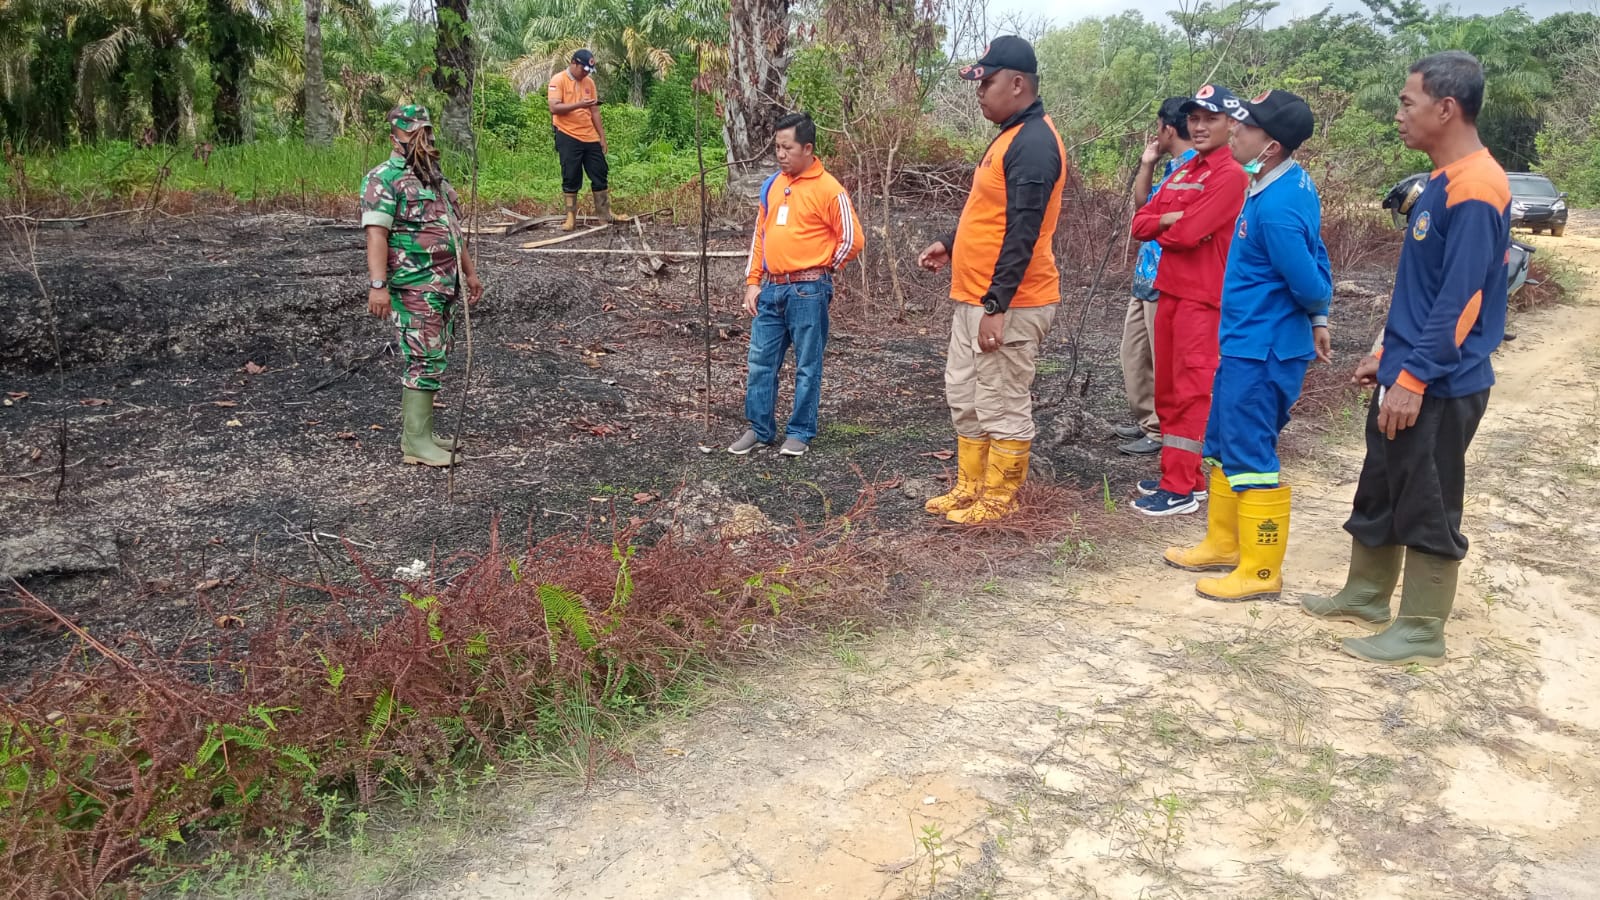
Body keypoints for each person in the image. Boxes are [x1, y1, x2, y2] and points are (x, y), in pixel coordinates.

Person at [1302, 51, 1510, 666]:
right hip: (1409, 368)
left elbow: (1461, 299)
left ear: (1446, 108)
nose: (1398, 113)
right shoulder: (1442, 181)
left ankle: (1421, 628)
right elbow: (1422, 290)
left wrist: (1415, 376)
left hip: (1443, 382)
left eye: (1406, 101)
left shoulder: (1476, 187)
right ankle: (1366, 593)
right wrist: (1387, 357)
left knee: (1428, 495)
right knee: (1382, 484)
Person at [1164, 90, 1332, 602]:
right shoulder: (1274, 182)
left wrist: (1317, 312)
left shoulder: (1278, 205)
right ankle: (1223, 541)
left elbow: (1308, 279)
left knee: (1252, 453)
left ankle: (1261, 570)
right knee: (1222, 445)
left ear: (1273, 145)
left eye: (1245, 127)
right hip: (1243, 343)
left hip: (1263, 350)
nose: (1233, 131)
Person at [917, 36, 1066, 525]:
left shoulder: (1035, 143)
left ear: (1018, 83)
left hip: (1010, 303)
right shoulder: (1008, 136)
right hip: (974, 296)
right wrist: (950, 242)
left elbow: (1023, 230)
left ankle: (999, 501)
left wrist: (997, 305)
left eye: (987, 81)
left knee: (1001, 399)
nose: (979, 92)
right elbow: (989, 213)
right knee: (965, 394)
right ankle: (970, 487)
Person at [1128, 85, 1250, 516]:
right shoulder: (1183, 171)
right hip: (1170, 290)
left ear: (1230, 123)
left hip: (1203, 298)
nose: (1199, 126)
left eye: (1210, 118)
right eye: (1194, 118)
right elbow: (1140, 224)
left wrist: (1171, 223)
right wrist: (1169, 218)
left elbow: (1184, 234)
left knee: (1191, 390)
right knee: (1167, 389)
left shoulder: (1230, 176)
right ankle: (1186, 477)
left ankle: (1178, 487)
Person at [727, 112, 864, 458]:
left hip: (808, 290)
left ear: (807, 148)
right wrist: (753, 281)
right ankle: (759, 429)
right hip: (771, 289)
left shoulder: (829, 189)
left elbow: (852, 239)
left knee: (807, 364)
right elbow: (761, 234)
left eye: (787, 147)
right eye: (777, 147)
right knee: (760, 361)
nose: (781, 154)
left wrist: (823, 268)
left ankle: (800, 431)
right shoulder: (772, 185)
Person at [359, 104, 484, 467]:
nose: (423, 138)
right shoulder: (384, 178)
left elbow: (452, 232)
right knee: (421, 358)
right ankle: (415, 443)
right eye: (414, 132)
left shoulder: (434, 179)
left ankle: (423, 433)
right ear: (394, 136)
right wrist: (378, 285)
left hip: (444, 285)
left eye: (426, 131)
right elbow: (377, 234)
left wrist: (470, 273)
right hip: (413, 285)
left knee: (436, 356)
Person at [1117, 97, 1198, 457]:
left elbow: (1159, 223)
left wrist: (1153, 222)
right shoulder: (1171, 169)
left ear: (1168, 128)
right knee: (1134, 354)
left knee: (1162, 359)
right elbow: (1143, 210)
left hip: (1167, 281)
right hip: (1145, 277)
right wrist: (1147, 164)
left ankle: (1162, 429)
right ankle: (1148, 421)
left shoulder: (1197, 171)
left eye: (1158, 126)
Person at [547, 49, 623, 231]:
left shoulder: (589, 83)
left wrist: (602, 137)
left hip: (589, 136)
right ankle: (570, 217)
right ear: (574, 63)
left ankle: (605, 214)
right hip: (568, 134)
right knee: (571, 175)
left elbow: (595, 111)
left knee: (600, 172)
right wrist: (579, 105)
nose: (586, 73)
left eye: (589, 71)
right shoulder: (558, 80)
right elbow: (554, 108)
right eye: (584, 69)